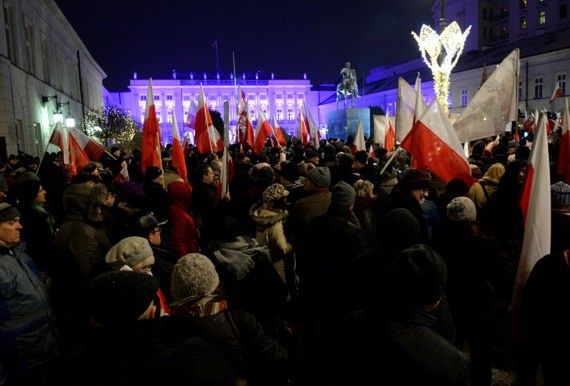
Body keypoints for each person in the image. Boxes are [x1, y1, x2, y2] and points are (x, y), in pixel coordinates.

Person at [0, 202, 60, 385]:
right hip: (20, 355)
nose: (20, 226)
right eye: (11, 222)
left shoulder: (15, 252)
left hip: (41, 344)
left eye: (18, 221)